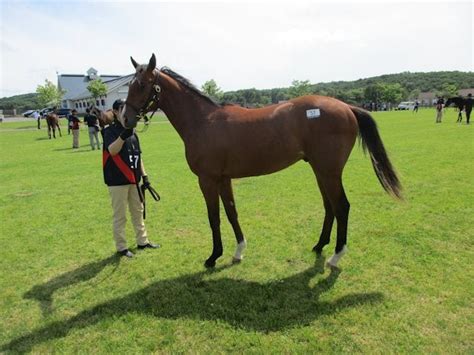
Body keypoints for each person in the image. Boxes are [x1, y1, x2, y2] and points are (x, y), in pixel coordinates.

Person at [103, 99, 160, 258]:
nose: (125, 112)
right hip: (117, 180)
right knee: (120, 216)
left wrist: (145, 176)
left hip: (134, 180)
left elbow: (138, 156)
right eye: (122, 109)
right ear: (114, 112)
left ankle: (143, 241)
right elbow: (112, 151)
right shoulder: (109, 131)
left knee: (138, 212)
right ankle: (121, 248)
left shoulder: (133, 133)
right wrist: (122, 136)